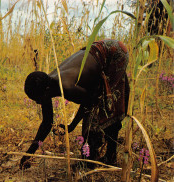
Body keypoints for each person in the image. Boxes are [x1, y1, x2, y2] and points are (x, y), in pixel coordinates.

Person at [20, 39, 130, 169]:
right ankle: (97, 157)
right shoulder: (45, 84)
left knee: (106, 109)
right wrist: (30, 153)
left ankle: (100, 158)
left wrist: (72, 125)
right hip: (96, 53)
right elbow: (46, 123)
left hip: (114, 53)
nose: (39, 103)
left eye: (38, 99)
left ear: (46, 90)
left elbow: (89, 104)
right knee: (99, 109)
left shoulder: (67, 86)